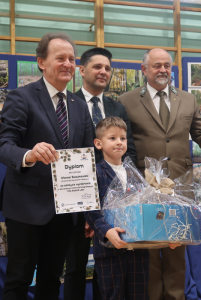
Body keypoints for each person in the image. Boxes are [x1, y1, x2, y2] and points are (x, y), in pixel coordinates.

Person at [118, 48, 201, 300]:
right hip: (144, 187)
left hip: (181, 185)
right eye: (156, 65)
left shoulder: (188, 99)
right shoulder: (127, 100)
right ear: (144, 69)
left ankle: (176, 296)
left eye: (167, 65)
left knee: (176, 248)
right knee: (149, 249)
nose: (163, 70)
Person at [0, 32, 94, 299]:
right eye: (60, 58)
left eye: (72, 59)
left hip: (66, 211)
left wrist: (89, 212)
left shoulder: (78, 105)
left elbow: (88, 160)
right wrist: (30, 153)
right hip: (27, 207)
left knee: (52, 279)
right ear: (41, 62)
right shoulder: (22, 97)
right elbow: (4, 144)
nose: (67, 64)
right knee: (19, 279)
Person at [64, 47, 137, 300]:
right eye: (97, 67)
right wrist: (89, 211)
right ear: (82, 70)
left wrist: (120, 205)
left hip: (117, 209)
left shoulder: (117, 106)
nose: (103, 72)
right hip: (78, 200)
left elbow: (131, 153)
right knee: (75, 267)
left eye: (107, 68)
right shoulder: (67, 104)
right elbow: (67, 153)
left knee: (106, 270)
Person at [85, 116, 178, 300]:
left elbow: (149, 211)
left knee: (140, 296)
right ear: (98, 143)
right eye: (112, 138)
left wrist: (166, 236)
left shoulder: (136, 174)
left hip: (139, 251)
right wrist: (106, 231)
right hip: (109, 251)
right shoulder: (94, 173)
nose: (119, 142)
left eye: (122, 138)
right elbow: (90, 212)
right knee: (113, 296)